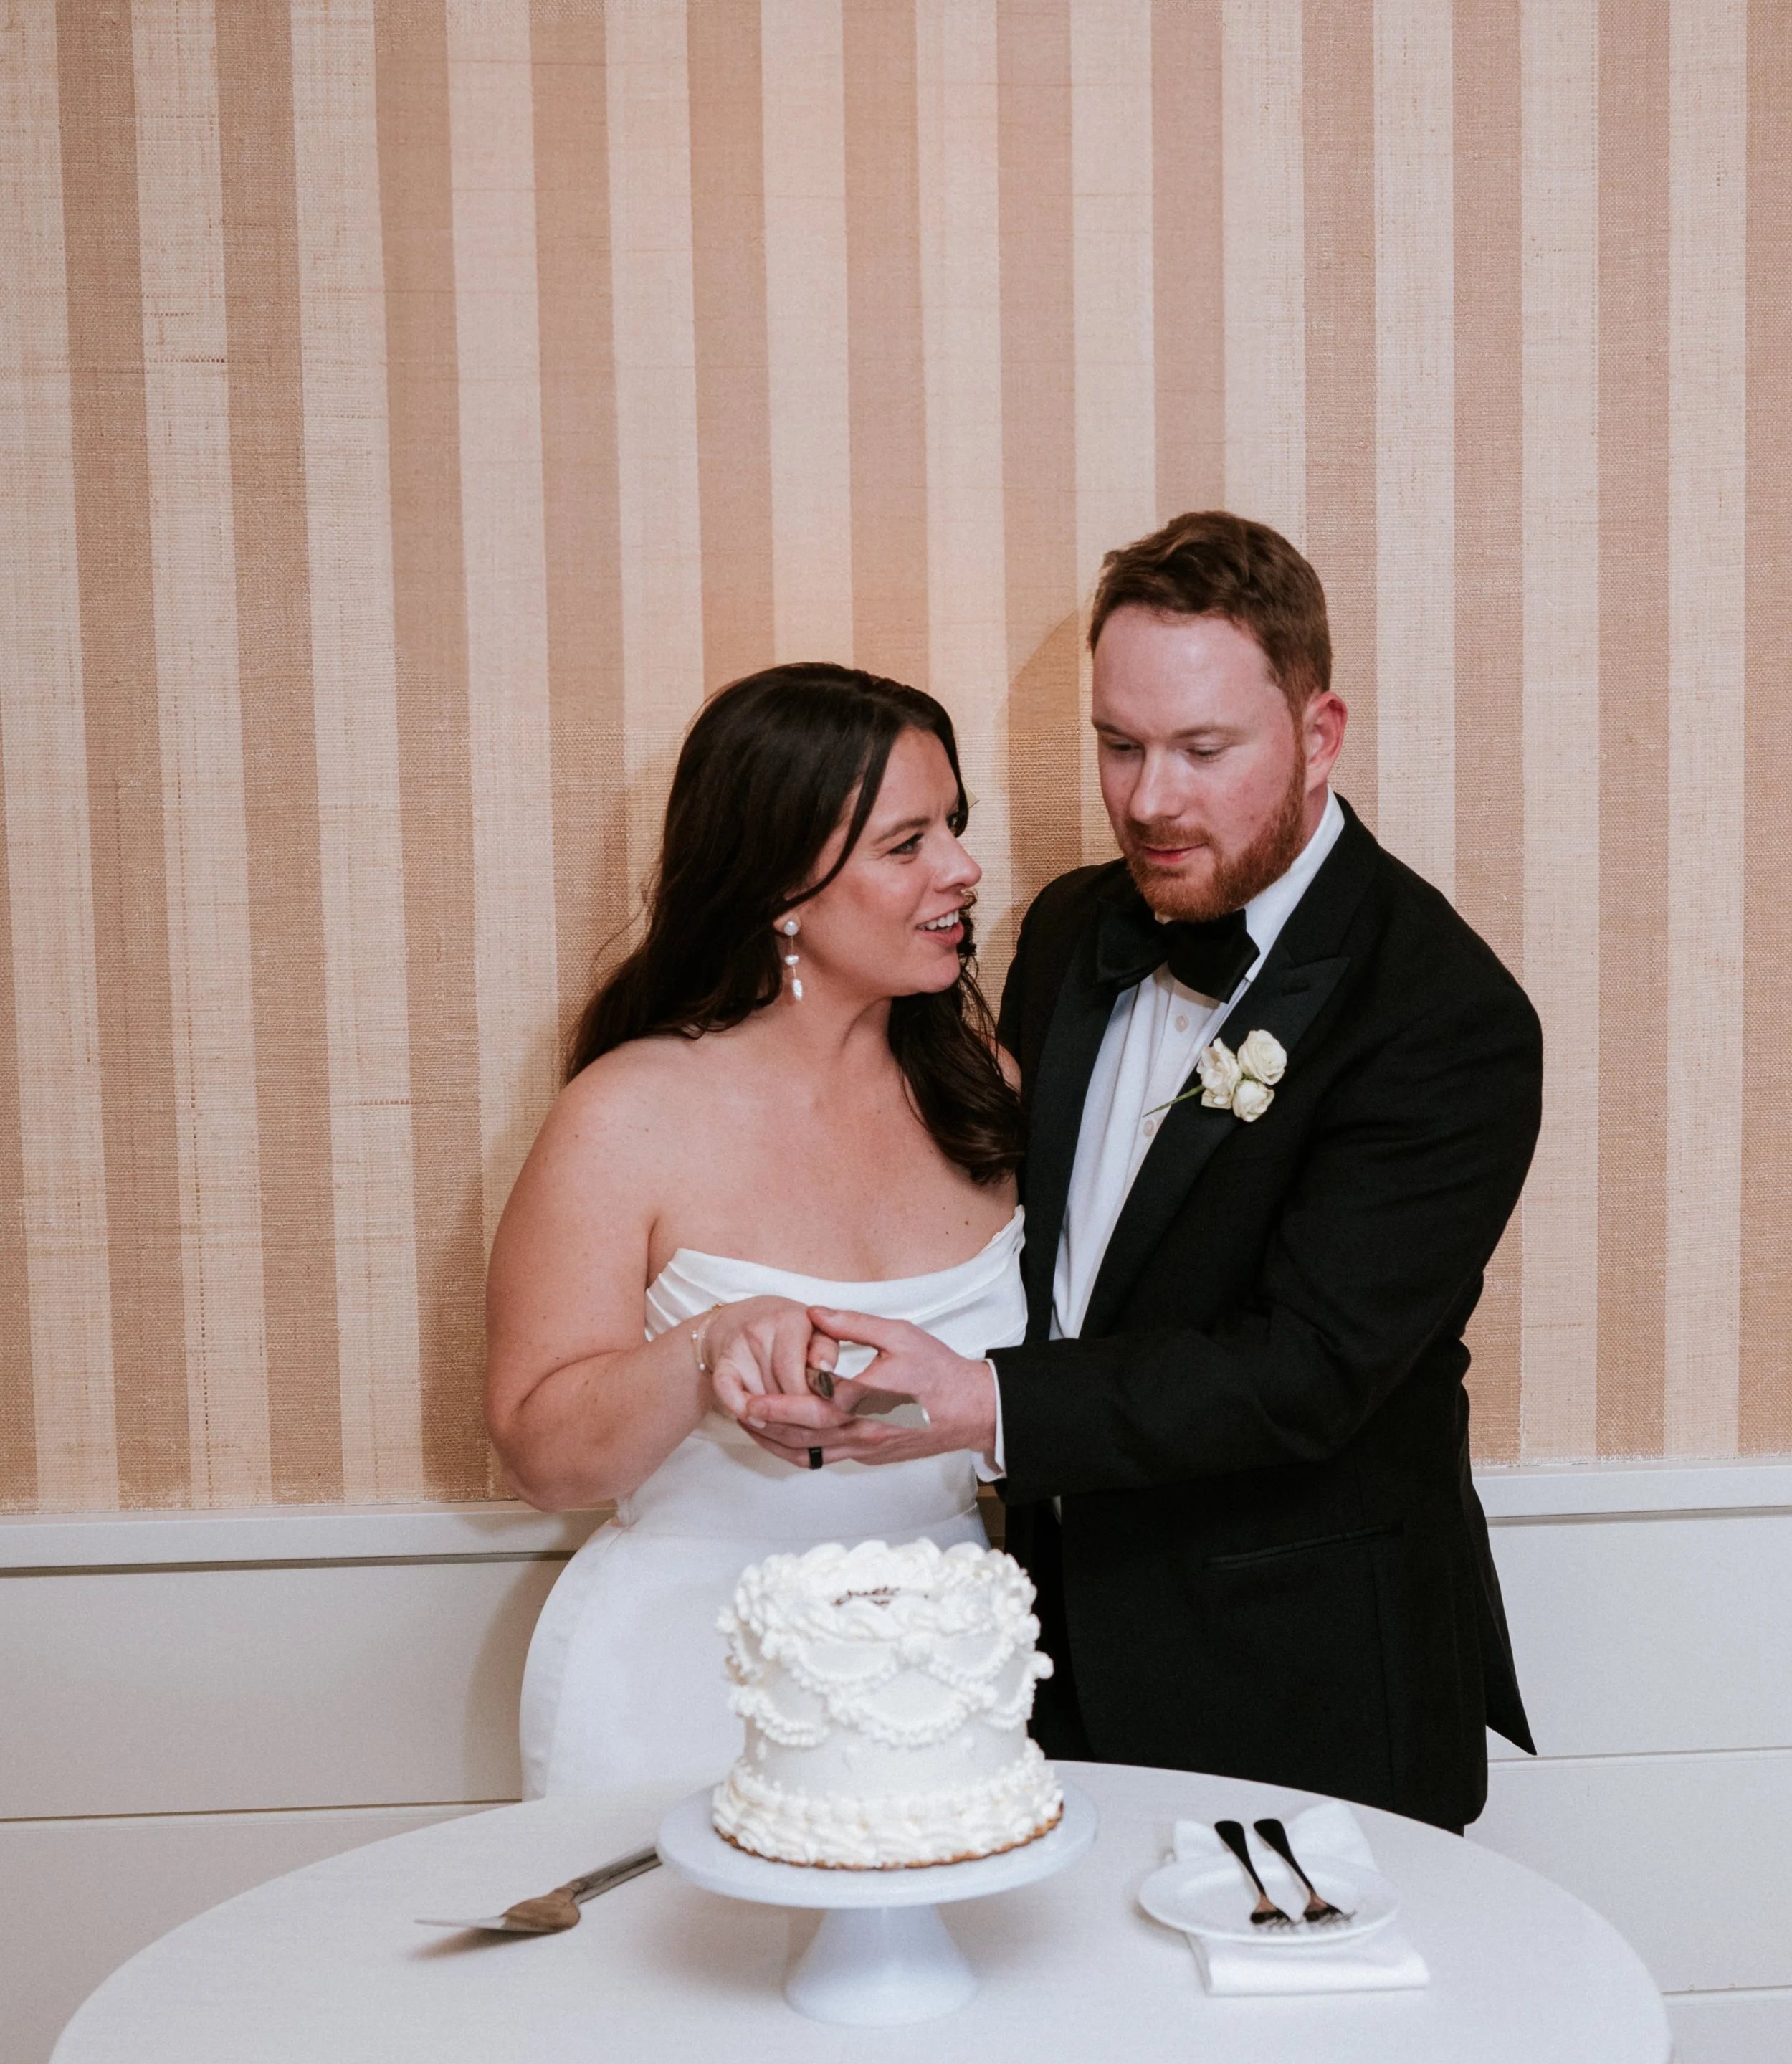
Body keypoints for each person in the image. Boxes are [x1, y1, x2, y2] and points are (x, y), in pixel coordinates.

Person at [758, 514, 1543, 1832]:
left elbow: (1308, 1371)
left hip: (1304, 1681)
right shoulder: (1073, 927)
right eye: (1119, 746)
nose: (1149, 798)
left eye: (1202, 750)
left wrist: (984, 1401)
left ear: (1320, 731)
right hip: (1040, 1656)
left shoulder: (1445, 1014)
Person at [487, 663, 1026, 1794]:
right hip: (683, 1677)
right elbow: (540, 1456)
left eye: (956, 828)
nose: (963, 870)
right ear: (783, 882)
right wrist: (707, 1347)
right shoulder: (624, 1116)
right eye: (906, 842)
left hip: (943, 1665)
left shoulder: (987, 1090)